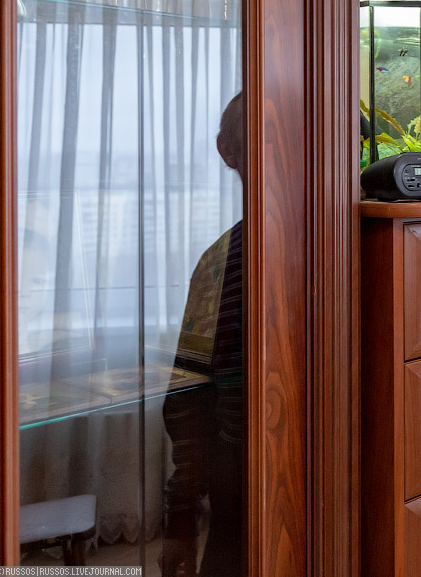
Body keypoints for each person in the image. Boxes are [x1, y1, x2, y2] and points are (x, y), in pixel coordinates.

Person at [159, 93, 245, 577]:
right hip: (240, 485)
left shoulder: (362, 238)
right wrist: (179, 521)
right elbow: (189, 400)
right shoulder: (219, 263)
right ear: (227, 151)